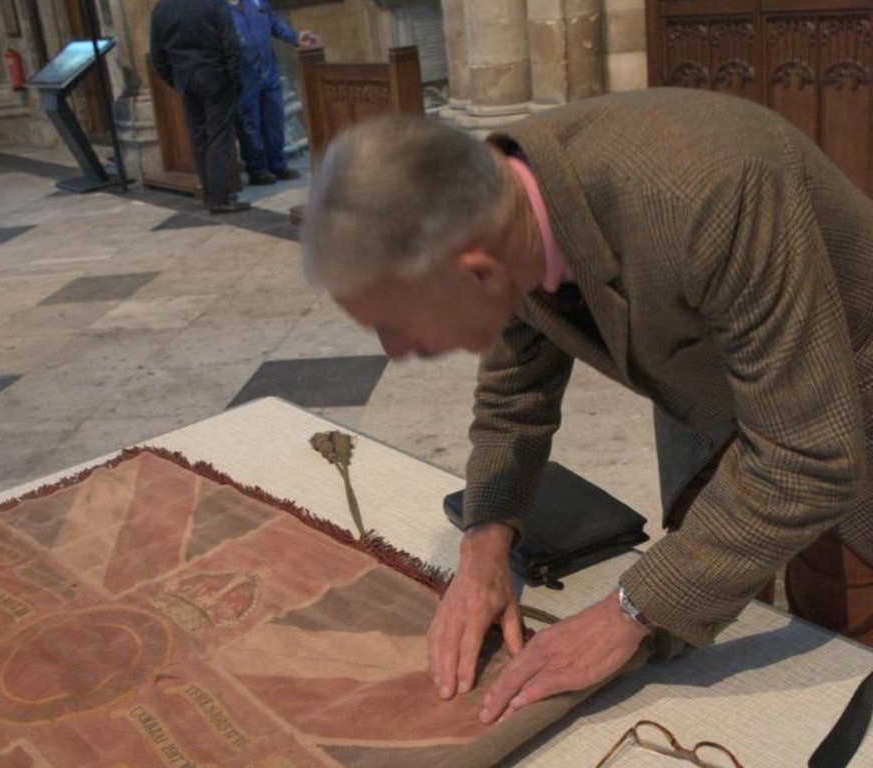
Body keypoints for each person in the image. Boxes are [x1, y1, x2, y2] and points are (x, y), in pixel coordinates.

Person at [300, 89, 873, 724]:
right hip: (709, 400)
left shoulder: (708, 193)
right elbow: (514, 397)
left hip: (848, 396)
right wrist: (484, 550)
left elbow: (809, 457)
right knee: (700, 619)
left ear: (478, 274)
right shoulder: (494, 201)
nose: (397, 352)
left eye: (395, 322)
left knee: (834, 657)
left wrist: (627, 609)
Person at [150, 0, 248, 214]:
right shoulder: (213, 2)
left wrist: (175, 80)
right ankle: (219, 199)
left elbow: (157, 55)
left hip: (186, 80)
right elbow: (231, 43)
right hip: (216, 76)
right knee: (219, 138)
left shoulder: (162, 8)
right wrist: (235, 79)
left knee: (199, 139)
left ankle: (210, 196)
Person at [227, 0, 319, 185]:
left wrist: (295, 37)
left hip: (268, 73)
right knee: (250, 125)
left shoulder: (256, 2)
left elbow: (274, 23)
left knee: (274, 121)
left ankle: (278, 165)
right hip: (244, 76)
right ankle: (258, 170)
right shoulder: (216, 8)